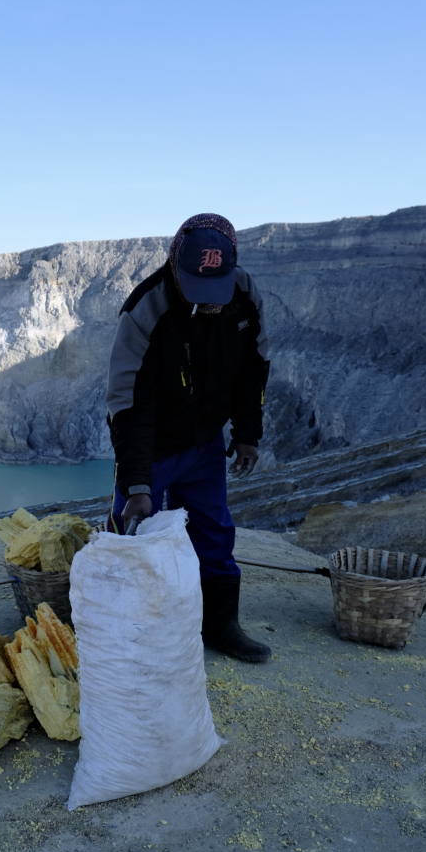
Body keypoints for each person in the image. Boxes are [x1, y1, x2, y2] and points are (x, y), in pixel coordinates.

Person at [105, 212, 272, 662]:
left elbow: (253, 369)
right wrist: (138, 484)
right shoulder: (146, 310)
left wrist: (247, 434)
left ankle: (219, 625)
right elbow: (127, 402)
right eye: (199, 292)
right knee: (130, 536)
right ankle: (124, 632)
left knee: (214, 530)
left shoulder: (245, 296)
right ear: (176, 269)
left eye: (216, 292)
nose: (210, 304)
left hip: (204, 444)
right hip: (154, 445)